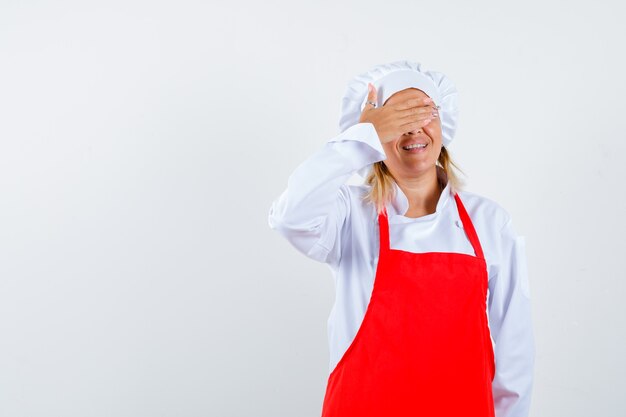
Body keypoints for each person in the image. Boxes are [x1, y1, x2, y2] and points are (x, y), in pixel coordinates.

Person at [268, 60, 535, 417]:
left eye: (423, 113)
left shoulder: (489, 222)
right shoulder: (349, 215)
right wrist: (360, 139)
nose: (413, 131)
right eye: (397, 120)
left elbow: (514, 349)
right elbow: (290, 217)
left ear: (443, 122)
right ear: (374, 136)